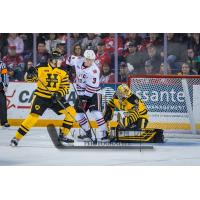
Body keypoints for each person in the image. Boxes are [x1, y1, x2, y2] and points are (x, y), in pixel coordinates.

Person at [10, 51, 76, 146]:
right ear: (52, 60)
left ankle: (63, 135)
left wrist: (59, 94)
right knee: (33, 117)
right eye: (59, 60)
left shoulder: (63, 71)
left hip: (55, 98)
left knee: (71, 112)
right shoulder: (41, 67)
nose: (61, 61)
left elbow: (65, 87)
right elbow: (28, 79)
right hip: (41, 96)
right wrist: (29, 73)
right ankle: (16, 138)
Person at [73, 49, 108, 141]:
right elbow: (68, 59)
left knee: (95, 112)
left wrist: (84, 99)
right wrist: (68, 68)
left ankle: (105, 134)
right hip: (81, 93)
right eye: (88, 59)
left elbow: (92, 88)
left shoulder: (94, 70)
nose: (89, 61)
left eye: (92, 59)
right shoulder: (77, 60)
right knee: (78, 115)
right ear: (84, 58)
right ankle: (88, 133)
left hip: (94, 93)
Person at [0, 60, 10, 127]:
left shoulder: (2, 65)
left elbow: (5, 75)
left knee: (2, 104)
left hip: (0, 87)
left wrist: (5, 85)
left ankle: (4, 122)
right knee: (2, 104)